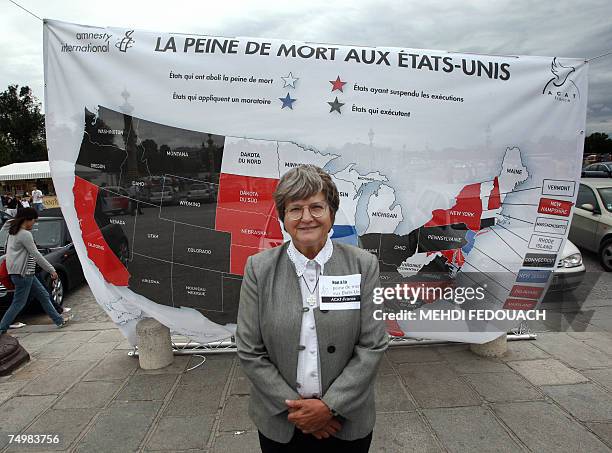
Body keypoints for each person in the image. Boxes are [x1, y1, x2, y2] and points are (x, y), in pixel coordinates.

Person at [236, 165, 388, 453]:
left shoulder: (363, 265)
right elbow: (249, 349)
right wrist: (299, 412)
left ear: (331, 214)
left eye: (316, 207)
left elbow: (373, 344)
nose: (306, 218)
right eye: (295, 209)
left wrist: (329, 408)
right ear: (284, 218)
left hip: (346, 422)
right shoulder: (259, 269)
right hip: (282, 423)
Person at [0, 208, 71, 334]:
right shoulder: (25, 234)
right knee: (19, 303)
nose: (34, 223)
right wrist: (51, 270)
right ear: (27, 219)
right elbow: (36, 255)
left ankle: (58, 320)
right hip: (23, 273)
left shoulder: (12, 232)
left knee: (43, 295)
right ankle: (2, 328)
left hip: (23, 272)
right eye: (33, 220)